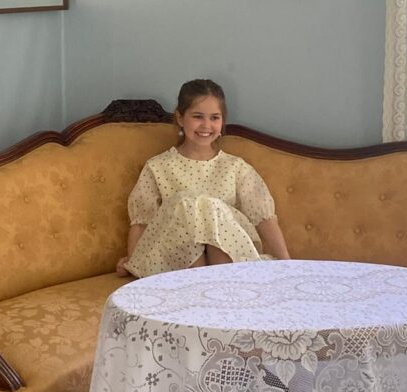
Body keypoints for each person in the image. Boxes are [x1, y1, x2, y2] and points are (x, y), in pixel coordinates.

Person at [116, 78, 290, 278]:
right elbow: (142, 222)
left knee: (209, 206)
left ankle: (221, 283)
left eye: (215, 117)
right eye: (198, 116)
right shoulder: (158, 167)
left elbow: (264, 218)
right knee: (187, 203)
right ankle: (197, 281)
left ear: (222, 121)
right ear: (180, 118)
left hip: (226, 256)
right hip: (177, 260)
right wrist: (134, 261)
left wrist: (288, 264)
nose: (206, 125)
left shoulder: (235, 167)